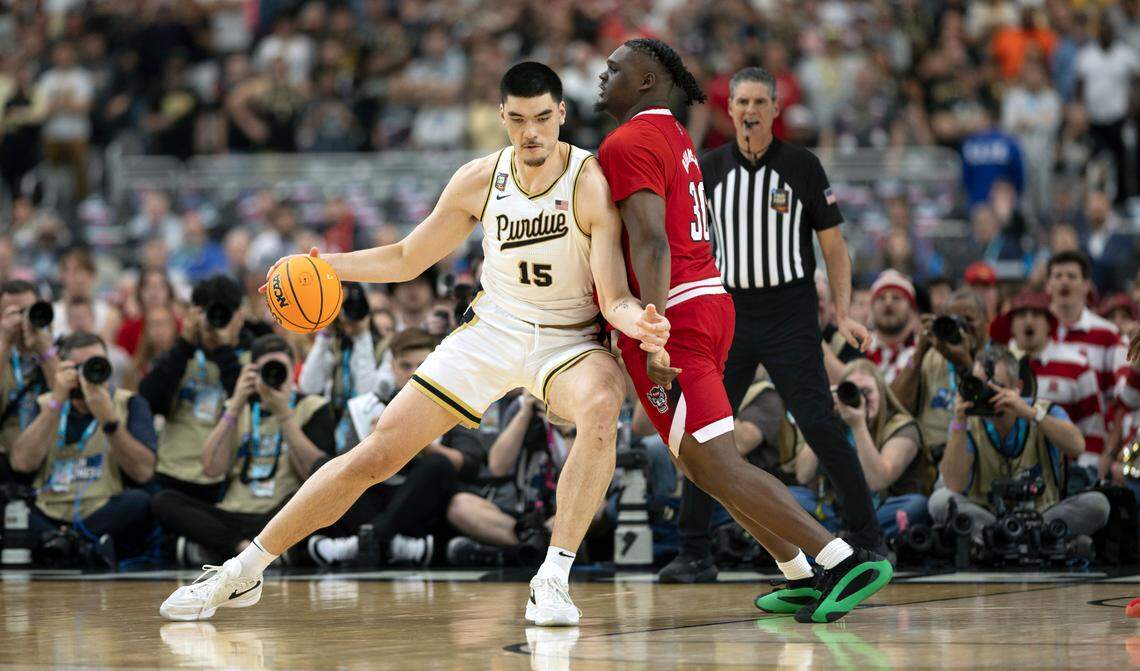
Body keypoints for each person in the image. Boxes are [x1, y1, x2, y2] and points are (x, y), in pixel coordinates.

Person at [158, 62, 668, 626]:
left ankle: (552, 578)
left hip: (567, 339)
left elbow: (615, 293)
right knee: (377, 451)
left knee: (602, 406)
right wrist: (326, 265)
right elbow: (407, 257)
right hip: (493, 332)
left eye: (544, 118)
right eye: (519, 119)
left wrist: (636, 321)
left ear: (562, 115)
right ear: (501, 117)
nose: (532, 133)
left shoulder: (589, 181)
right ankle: (244, 569)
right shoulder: (478, 179)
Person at [596, 40, 890, 624]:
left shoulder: (629, 141)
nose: (602, 76)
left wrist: (651, 332)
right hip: (714, 304)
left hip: (683, 313)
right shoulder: (677, 136)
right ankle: (800, 574)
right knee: (702, 465)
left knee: (725, 461)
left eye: (615, 69)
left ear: (649, 79)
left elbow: (652, 242)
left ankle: (843, 557)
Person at [306, 328, 487, 568]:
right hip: (376, 495)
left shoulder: (456, 405)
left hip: (419, 500)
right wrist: (371, 445)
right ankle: (390, 543)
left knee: (437, 466)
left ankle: (363, 542)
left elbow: (470, 463)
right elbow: (346, 468)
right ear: (392, 367)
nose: (414, 373)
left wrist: (420, 443)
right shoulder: (366, 407)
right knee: (324, 467)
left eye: (422, 364)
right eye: (406, 366)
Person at [151, 335, 336, 566]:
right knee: (164, 500)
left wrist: (284, 415)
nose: (274, 376)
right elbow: (211, 468)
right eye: (266, 369)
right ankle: (244, 549)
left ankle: (217, 549)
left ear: (293, 370)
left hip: (280, 512)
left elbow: (315, 473)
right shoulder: (241, 409)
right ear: (253, 373)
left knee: (312, 499)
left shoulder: (312, 406)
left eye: (280, 368)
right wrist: (236, 404)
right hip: (235, 511)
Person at [929, 347, 1109, 547]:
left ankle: (1005, 542)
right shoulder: (968, 422)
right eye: (981, 386)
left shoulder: (1043, 410)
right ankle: (1035, 542)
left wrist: (1031, 414)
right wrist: (959, 422)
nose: (988, 395)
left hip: (1041, 515)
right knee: (939, 500)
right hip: (989, 517)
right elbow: (954, 484)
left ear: (1017, 387)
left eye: (996, 386)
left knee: (1098, 504)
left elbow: (1077, 447)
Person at [9, 332, 157, 564]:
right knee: (11, 504)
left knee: (139, 501)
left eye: (96, 365)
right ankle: (85, 549)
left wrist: (109, 420)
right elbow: (22, 463)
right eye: (80, 367)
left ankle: (65, 545)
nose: (88, 374)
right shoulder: (46, 403)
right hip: (48, 509)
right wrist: (56, 401)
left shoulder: (129, 403)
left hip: (101, 509)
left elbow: (144, 472)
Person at [791, 359, 934, 539]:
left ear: (882, 393)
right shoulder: (834, 421)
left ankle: (837, 540)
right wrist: (823, 417)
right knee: (792, 497)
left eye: (866, 392)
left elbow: (877, 481)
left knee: (916, 505)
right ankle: (846, 539)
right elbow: (803, 475)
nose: (860, 400)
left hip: (881, 510)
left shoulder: (902, 427)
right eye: (851, 392)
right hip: (837, 513)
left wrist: (859, 426)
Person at [140, 276, 246, 502]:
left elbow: (248, 401)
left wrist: (224, 350)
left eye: (223, 314)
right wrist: (184, 343)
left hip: (223, 479)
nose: (216, 321)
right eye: (210, 313)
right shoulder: (179, 356)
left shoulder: (250, 357)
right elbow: (150, 401)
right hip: (170, 472)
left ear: (239, 317)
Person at [990, 291, 1105, 458]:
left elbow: (1093, 428)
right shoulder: (993, 365)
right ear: (1011, 324)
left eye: (1037, 314)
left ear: (1050, 323)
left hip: (1065, 473)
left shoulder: (1077, 364)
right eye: (1021, 315)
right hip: (1005, 468)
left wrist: (1085, 473)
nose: (1029, 320)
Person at [1045, 250, 1128, 463]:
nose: (1064, 281)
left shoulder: (1107, 334)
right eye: (1058, 275)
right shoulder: (1034, 334)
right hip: (1039, 451)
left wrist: (1110, 452)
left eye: (1072, 276)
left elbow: (1120, 399)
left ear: (1086, 285)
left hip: (1090, 452)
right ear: (1048, 285)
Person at [891, 288, 988, 460]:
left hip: (979, 457)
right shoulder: (929, 358)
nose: (961, 327)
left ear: (986, 321)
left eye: (968, 319)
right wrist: (919, 352)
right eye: (954, 321)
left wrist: (965, 364)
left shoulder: (1000, 358)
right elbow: (897, 408)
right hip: (930, 458)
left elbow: (992, 412)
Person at [298, 282, 386, 454]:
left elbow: (366, 396)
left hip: (367, 433)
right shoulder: (334, 346)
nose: (345, 313)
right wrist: (324, 333)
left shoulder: (384, 348)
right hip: (333, 433)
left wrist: (362, 335)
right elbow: (308, 386)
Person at [0, 280, 59, 483]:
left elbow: (65, 395)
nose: (24, 319)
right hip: (7, 457)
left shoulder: (62, 348)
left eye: (28, 310)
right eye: (14, 313)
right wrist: (5, 343)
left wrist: (45, 351)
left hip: (53, 456)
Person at [866, 270, 918, 384]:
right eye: (881, 298)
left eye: (896, 298)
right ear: (872, 308)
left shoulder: (922, 353)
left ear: (912, 309)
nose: (888, 303)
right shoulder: (859, 350)